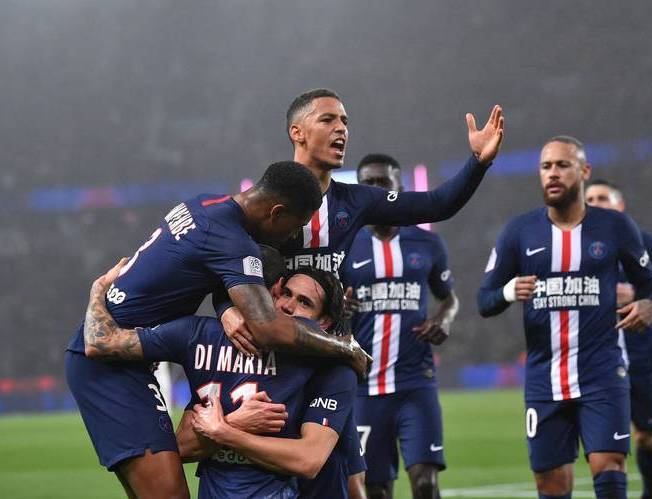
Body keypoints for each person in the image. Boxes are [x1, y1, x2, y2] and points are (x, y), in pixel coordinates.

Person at [216, 88, 505, 496]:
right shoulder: (267, 198)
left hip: (331, 359)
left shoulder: (354, 200)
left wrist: (478, 162)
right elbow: (219, 264)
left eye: (345, 122)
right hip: (275, 367)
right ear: (297, 132)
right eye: (328, 120)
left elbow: (436, 204)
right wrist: (226, 308)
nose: (342, 130)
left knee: (355, 485)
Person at [65, 161, 370, 499]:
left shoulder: (206, 206)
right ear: (276, 212)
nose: (291, 237)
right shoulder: (233, 246)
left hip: (123, 355)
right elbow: (268, 328)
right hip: (110, 361)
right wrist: (346, 347)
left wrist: (225, 309)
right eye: (295, 225)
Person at [477, 136, 652, 499]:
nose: (553, 173)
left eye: (563, 165)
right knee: (551, 485)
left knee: (610, 468)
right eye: (546, 166)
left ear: (584, 171)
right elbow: (484, 300)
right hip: (544, 381)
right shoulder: (519, 231)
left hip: (603, 374)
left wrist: (649, 305)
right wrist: (507, 292)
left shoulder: (616, 227)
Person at [84, 256, 358, 498]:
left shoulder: (330, 369)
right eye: (286, 293)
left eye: (304, 302)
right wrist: (232, 424)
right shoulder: (200, 336)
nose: (287, 305)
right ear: (273, 291)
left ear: (323, 323)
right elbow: (179, 450)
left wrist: (224, 431)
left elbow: (308, 460)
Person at [337, 153, 459, 499]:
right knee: (375, 489)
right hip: (364, 386)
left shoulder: (427, 242)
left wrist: (444, 319)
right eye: (368, 184)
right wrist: (337, 304)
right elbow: (322, 305)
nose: (376, 190)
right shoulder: (345, 245)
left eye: (383, 183)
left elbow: (449, 298)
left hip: (415, 383)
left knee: (426, 483)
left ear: (399, 188)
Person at [585, 179, 652, 499]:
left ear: (620, 205)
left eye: (603, 197)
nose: (595, 203)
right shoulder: (573, 247)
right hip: (597, 355)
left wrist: (638, 294)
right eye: (590, 198)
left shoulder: (642, 241)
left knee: (646, 435)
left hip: (641, 351)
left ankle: (650, 495)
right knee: (607, 444)